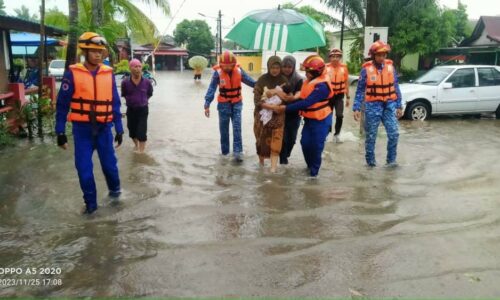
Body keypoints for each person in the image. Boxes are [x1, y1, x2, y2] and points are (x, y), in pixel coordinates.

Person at [55, 32, 124, 215]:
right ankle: (91, 207)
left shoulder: (108, 74)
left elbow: (115, 103)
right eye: (93, 51)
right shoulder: (73, 74)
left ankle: (116, 196)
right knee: (84, 171)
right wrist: (60, 132)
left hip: (104, 129)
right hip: (82, 130)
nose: (98, 55)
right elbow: (62, 105)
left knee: (110, 167)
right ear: (85, 51)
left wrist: (119, 129)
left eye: (100, 51)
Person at [263, 55, 333, 177]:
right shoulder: (308, 81)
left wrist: (284, 107)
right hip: (309, 119)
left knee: (316, 146)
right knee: (305, 143)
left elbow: (306, 102)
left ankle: (313, 175)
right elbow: (300, 94)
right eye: (306, 71)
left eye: (309, 71)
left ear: (317, 72)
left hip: (321, 120)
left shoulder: (322, 86)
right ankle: (309, 167)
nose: (306, 73)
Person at [352, 40, 403, 167]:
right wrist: (356, 108)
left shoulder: (391, 67)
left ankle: (391, 161)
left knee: (394, 133)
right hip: (372, 106)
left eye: (384, 55)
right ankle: (370, 163)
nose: (382, 57)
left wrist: (399, 105)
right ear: (373, 55)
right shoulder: (366, 70)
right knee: (371, 136)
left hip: (389, 105)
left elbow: (396, 87)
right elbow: (359, 90)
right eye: (379, 55)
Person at [204, 50, 256, 162]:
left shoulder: (239, 70)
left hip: (237, 103)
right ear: (221, 65)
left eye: (229, 66)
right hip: (223, 105)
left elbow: (250, 81)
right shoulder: (217, 73)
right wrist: (207, 104)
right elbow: (211, 88)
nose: (227, 68)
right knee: (224, 130)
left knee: (237, 128)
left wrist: (260, 86)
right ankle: (225, 153)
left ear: (233, 64)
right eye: (224, 66)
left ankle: (238, 153)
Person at [253, 56, 288, 172]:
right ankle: (261, 165)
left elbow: (288, 98)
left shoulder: (284, 80)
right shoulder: (262, 80)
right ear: (268, 67)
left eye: (277, 67)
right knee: (261, 141)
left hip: (278, 116)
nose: (275, 70)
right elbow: (257, 100)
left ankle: (273, 170)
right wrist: (270, 106)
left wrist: (278, 94)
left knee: (276, 141)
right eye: (272, 67)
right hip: (262, 116)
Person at [271, 55, 304, 165]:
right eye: (284, 66)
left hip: (294, 112)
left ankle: (285, 155)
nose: (286, 69)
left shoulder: (298, 79)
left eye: (289, 67)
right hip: (279, 112)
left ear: (294, 67)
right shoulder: (277, 77)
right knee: (282, 138)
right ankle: (282, 161)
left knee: (292, 139)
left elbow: (300, 93)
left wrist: (293, 97)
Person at [121, 58, 153, 153]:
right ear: (130, 68)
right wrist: (131, 100)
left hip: (143, 109)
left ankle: (141, 152)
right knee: (132, 131)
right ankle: (136, 145)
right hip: (130, 110)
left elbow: (150, 93)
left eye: (139, 66)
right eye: (135, 66)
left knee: (142, 132)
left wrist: (143, 100)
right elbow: (124, 94)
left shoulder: (147, 82)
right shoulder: (125, 82)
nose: (138, 68)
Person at [326, 48, 350, 143]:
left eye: (337, 56)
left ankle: (337, 134)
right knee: (328, 115)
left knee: (339, 115)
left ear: (340, 57)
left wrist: (348, 97)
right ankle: (327, 133)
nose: (335, 58)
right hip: (328, 95)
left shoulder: (344, 68)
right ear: (330, 58)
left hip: (339, 95)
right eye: (333, 57)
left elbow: (346, 83)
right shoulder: (326, 68)